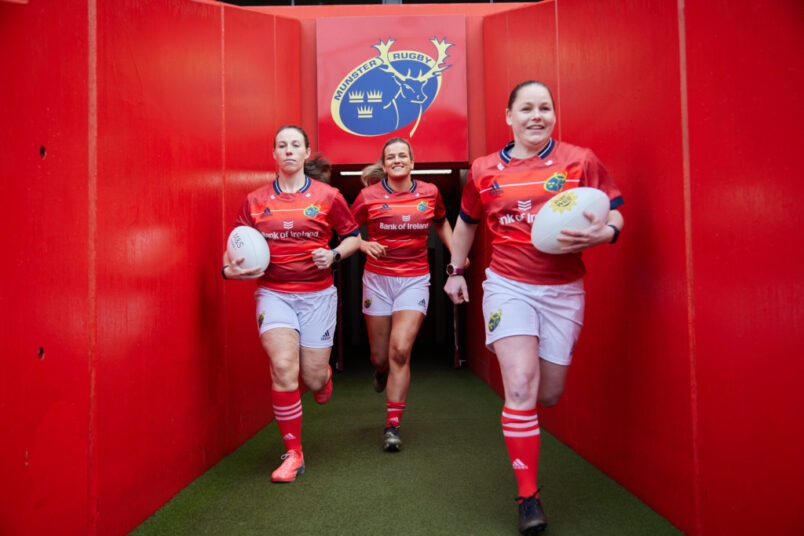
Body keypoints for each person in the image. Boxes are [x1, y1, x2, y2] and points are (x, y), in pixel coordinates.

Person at [444, 81, 624, 534]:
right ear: (509, 116)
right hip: (508, 287)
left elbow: (616, 212)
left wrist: (607, 233)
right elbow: (465, 224)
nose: (536, 116)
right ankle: (528, 497)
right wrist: (455, 270)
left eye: (545, 108)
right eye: (527, 108)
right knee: (521, 387)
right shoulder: (484, 170)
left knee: (548, 393)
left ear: (554, 115)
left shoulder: (579, 161)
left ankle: (527, 455)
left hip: (563, 291)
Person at [222, 125, 360, 483]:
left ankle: (323, 377)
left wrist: (332, 255)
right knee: (283, 369)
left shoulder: (329, 196)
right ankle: (293, 454)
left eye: (295, 145)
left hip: (317, 295)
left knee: (311, 378)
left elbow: (353, 239)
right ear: (274, 154)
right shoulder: (254, 200)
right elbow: (235, 247)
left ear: (306, 152)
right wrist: (229, 269)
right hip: (275, 293)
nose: (288, 151)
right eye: (281, 145)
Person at [350, 138, 455, 452]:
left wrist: (457, 253)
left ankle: (392, 426)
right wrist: (364, 244)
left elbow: (441, 222)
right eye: (390, 157)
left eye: (402, 156)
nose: (396, 160)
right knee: (380, 356)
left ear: (412, 162)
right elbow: (347, 231)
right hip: (378, 281)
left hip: (414, 280)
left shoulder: (430, 193)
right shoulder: (368, 196)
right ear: (384, 164)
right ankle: (380, 370)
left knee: (400, 351)